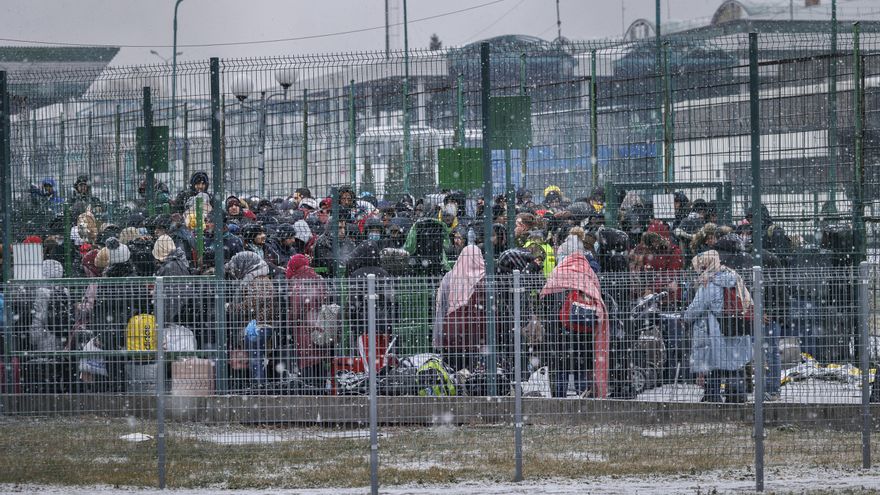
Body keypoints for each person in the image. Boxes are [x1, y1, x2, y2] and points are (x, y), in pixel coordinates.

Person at [683, 250, 753, 403]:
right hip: (735, 326)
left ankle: (712, 395)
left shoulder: (710, 282)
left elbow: (697, 307)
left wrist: (685, 317)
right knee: (734, 364)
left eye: (701, 266)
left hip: (716, 330)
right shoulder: (733, 276)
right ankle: (736, 395)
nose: (699, 270)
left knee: (714, 365)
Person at [539, 252, 610, 398]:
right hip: (583, 334)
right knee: (581, 370)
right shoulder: (588, 275)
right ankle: (582, 401)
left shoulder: (559, 274)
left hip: (559, 333)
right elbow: (598, 300)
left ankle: (558, 402)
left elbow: (545, 301)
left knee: (560, 370)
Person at [433, 244, 486, 373]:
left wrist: (438, 334)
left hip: (453, 331)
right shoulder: (484, 278)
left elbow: (441, 305)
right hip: (478, 332)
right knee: (477, 370)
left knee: (453, 370)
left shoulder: (450, 277)